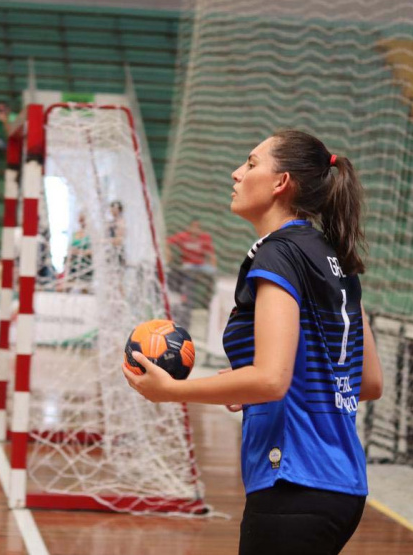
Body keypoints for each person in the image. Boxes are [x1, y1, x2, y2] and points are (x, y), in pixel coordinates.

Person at [122, 131, 383, 555]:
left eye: (251, 163)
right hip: (343, 486)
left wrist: (172, 391)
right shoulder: (337, 258)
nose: (237, 173)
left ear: (281, 183)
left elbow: (271, 381)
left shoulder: (278, 255)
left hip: (293, 483)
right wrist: (251, 385)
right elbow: (368, 382)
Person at [64, 213, 93, 292]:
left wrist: (81, 252)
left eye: (83, 219)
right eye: (80, 220)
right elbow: (70, 248)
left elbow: (92, 251)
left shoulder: (91, 234)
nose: (81, 222)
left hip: (86, 263)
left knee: (85, 287)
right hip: (74, 262)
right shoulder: (75, 234)